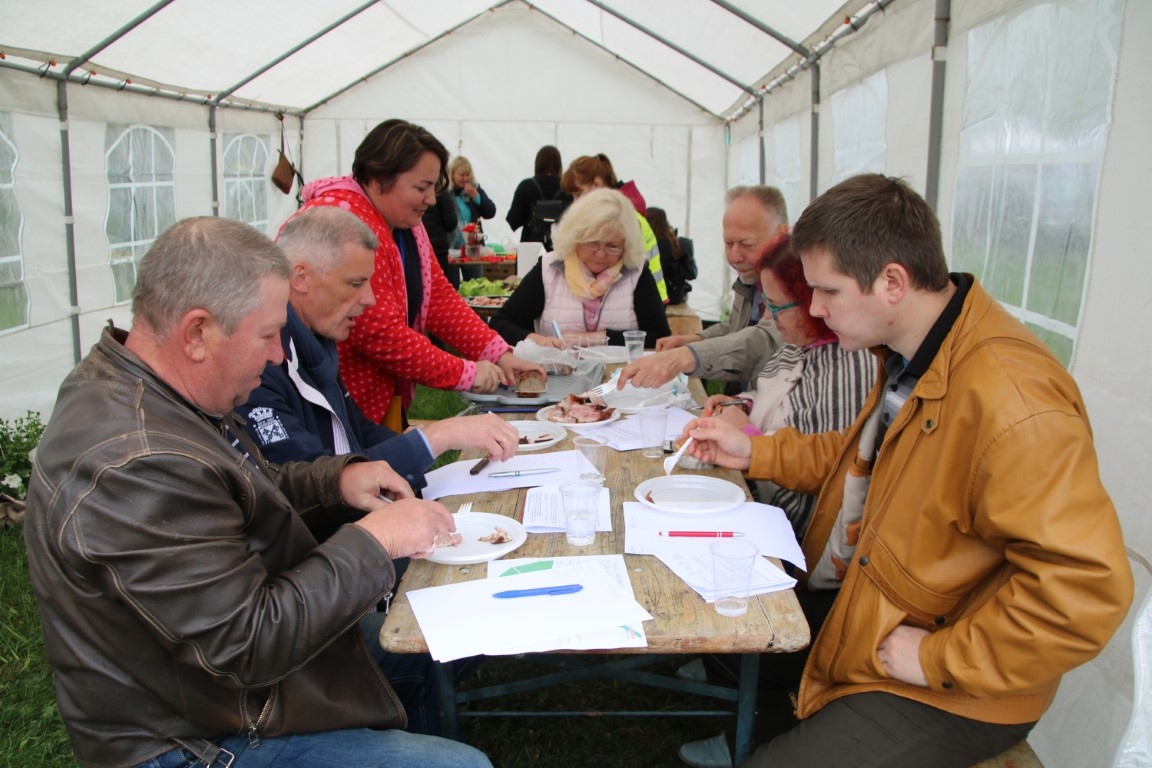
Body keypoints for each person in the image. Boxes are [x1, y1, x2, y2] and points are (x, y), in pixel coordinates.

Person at [681, 174, 1133, 768]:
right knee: (734, 618)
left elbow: (1084, 591)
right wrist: (755, 454)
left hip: (958, 682)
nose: (813, 308)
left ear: (892, 281)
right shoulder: (912, 354)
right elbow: (862, 455)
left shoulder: (1013, 401)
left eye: (827, 291)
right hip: (882, 608)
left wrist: (939, 658)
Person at [23, 216, 492, 768]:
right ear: (198, 332)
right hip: (189, 737)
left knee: (449, 628)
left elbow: (246, 482)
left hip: (221, 693)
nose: (277, 357)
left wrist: (334, 479)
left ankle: (399, 726)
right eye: (268, 335)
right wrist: (373, 541)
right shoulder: (139, 462)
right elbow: (246, 646)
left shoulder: (156, 392)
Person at [674, 236, 875, 768]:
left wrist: (750, 450)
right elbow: (775, 407)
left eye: (777, 305)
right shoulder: (800, 346)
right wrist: (736, 407)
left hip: (798, 537)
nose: (768, 315)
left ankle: (750, 718)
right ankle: (718, 661)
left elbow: (828, 473)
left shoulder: (845, 367)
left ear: (814, 303)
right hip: (767, 505)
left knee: (693, 547)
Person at [239, 207, 520, 496]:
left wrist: (416, 442)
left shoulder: (316, 345)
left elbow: (358, 433)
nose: (369, 299)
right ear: (300, 277)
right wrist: (436, 437)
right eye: (355, 283)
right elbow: (312, 486)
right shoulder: (260, 367)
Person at [298, 119, 542, 430]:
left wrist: (497, 353)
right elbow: (380, 334)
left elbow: (438, 298)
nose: (431, 199)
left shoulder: (403, 224)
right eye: (422, 188)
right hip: (334, 409)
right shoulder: (344, 224)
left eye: (434, 188)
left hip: (376, 406)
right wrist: (465, 372)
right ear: (379, 178)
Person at [617, 185, 788, 392]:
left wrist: (687, 356)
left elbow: (763, 341)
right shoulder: (751, 278)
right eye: (728, 243)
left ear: (781, 235)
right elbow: (734, 327)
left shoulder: (792, 285)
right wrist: (695, 339)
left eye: (747, 244)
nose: (734, 256)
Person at [489, 188, 670, 349]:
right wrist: (537, 340)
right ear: (575, 238)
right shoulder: (549, 269)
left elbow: (660, 338)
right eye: (592, 243)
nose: (600, 254)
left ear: (626, 245)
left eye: (612, 246)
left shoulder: (636, 274)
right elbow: (500, 323)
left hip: (620, 381)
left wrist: (596, 338)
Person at [561, 153, 668, 303]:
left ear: (597, 185)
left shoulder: (620, 219)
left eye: (578, 194)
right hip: (650, 292)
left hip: (646, 296)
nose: (575, 203)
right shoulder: (623, 213)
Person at [505, 144, 571, 252]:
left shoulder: (526, 186)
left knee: (529, 269)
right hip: (560, 250)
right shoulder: (567, 188)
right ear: (559, 165)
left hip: (530, 250)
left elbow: (512, 221)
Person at [646, 206, 697, 305]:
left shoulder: (659, 243)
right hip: (675, 293)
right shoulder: (672, 240)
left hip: (664, 294)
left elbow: (658, 273)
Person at [421, 188, 460, 287]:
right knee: (438, 286)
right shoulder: (441, 191)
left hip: (418, 247)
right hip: (438, 249)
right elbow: (450, 222)